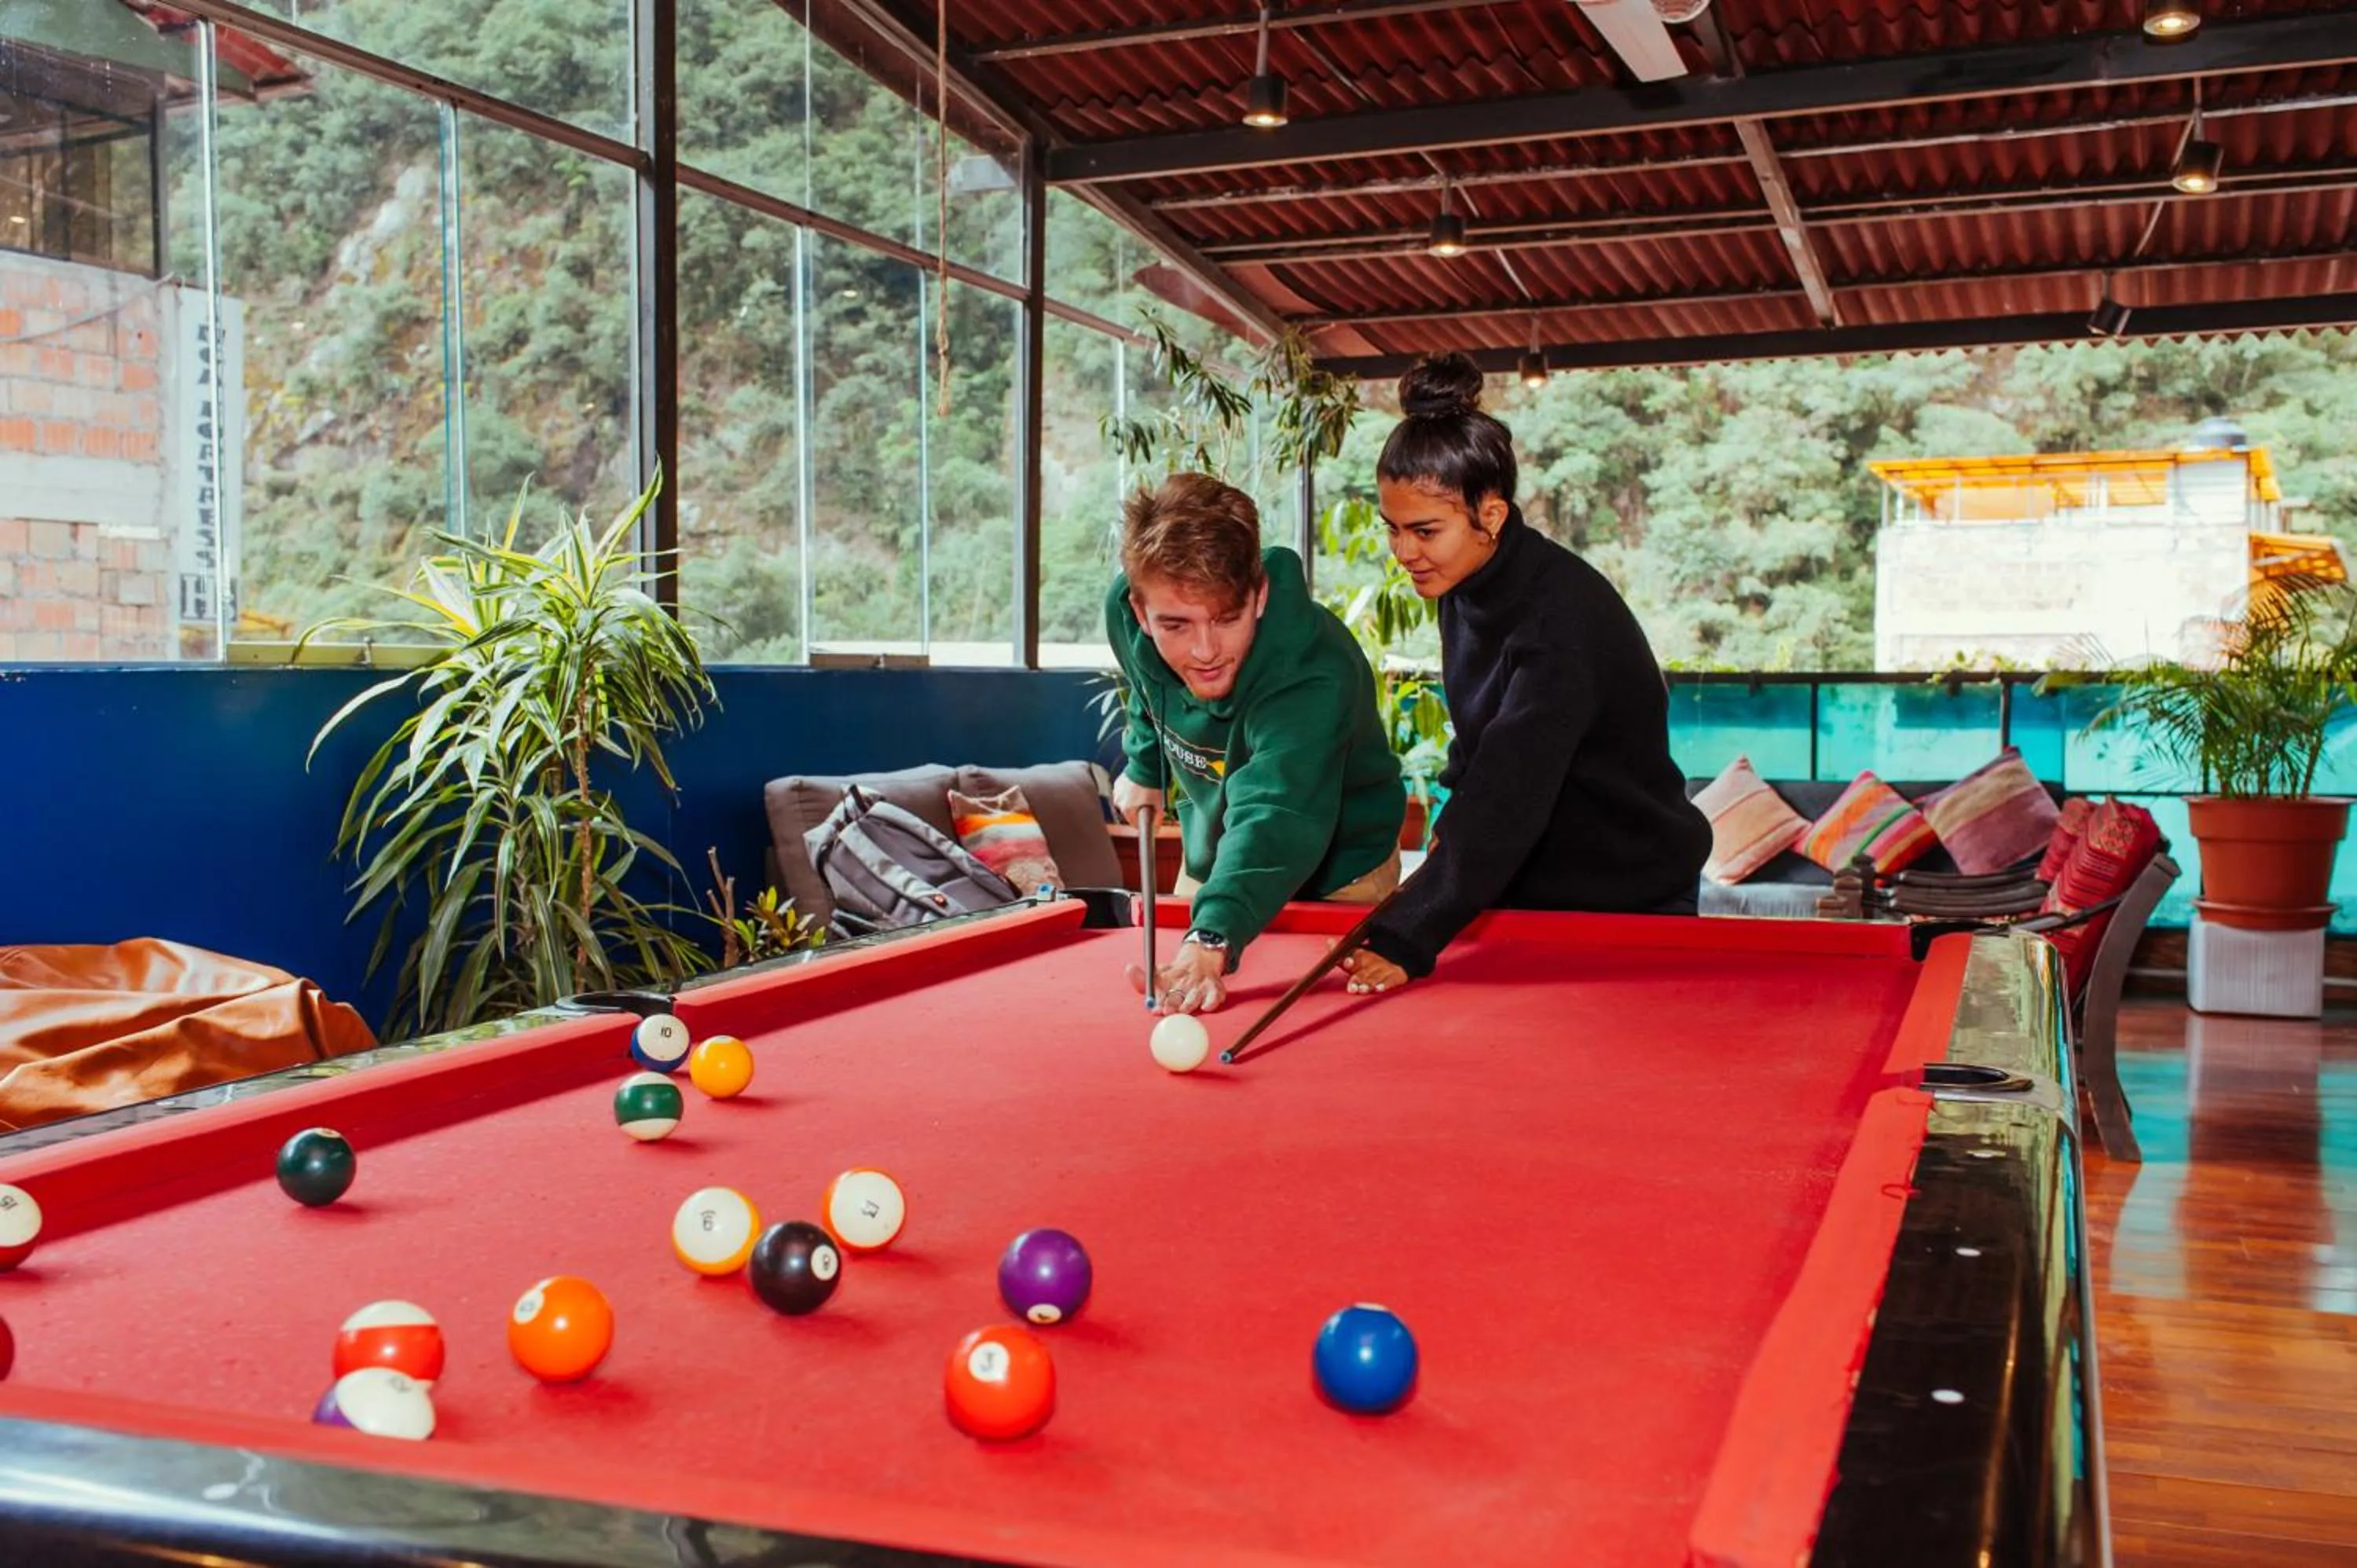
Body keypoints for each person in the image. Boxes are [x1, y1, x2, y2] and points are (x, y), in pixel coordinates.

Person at [1340, 353, 1710, 996]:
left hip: (1632, 892)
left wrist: (1408, 931)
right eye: (1393, 530)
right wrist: (1427, 887)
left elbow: (1511, 787)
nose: (1404, 553)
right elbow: (1482, 746)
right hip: (1536, 887)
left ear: (1491, 515)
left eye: (1424, 530)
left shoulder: (1559, 622)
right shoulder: (1462, 587)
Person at [1107, 472, 1404, 1013]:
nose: (1204, 651)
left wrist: (1211, 937)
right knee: (1185, 985)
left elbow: (1277, 813)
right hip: (1218, 855)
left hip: (1343, 871)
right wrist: (1144, 766)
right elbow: (1147, 682)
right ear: (1139, 613)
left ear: (1260, 595)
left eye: (1226, 619)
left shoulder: (1315, 671)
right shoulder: (1127, 618)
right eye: (1175, 625)